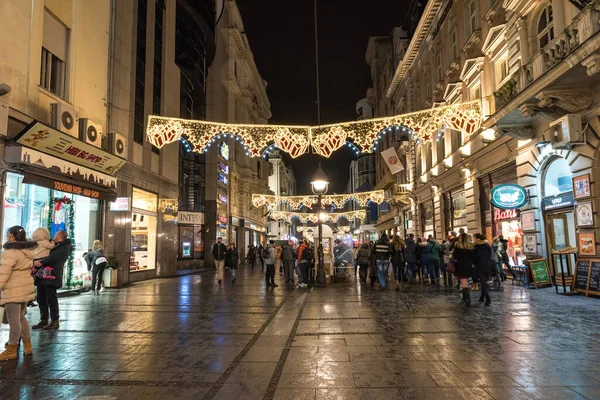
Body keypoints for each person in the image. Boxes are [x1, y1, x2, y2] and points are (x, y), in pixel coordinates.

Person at [0, 226, 36, 360]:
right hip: (25, 286)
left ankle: (11, 349)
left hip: (13, 288)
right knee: (20, 317)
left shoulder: (10, 252)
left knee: (13, 320)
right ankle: (27, 345)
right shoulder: (27, 250)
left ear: (10, 235)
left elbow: (3, 273)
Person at [32, 230, 72, 330]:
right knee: (41, 298)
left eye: (55, 235)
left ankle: (55, 321)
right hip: (42, 274)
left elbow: (54, 257)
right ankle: (44, 319)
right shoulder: (53, 245)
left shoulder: (64, 247)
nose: (53, 236)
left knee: (51, 298)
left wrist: (42, 261)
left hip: (52, 275)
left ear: (59, 236)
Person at [30, 227, 54, 307]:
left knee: (34, 279)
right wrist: (53, 242)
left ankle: (31, 298)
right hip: (43, 260)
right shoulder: (45, 242)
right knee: (44, 278)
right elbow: (51, 246)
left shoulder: (35, 243)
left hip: (35, 259)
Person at [453, 233, 475, 307]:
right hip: (468, 266)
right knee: (465, 282)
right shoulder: (471, 246)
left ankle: (468, 300)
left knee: (464, 284)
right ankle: (465, 298)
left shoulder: (458, 245)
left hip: (461, 266)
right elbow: (473, 257)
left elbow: (454, 256)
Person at [473, 234, 492, 306]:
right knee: (483, 282)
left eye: (474, 238)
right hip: (487, 265)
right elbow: (489, 255)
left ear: (478, 239)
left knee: (483, 283)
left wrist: (474, 263)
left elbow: (475, 258)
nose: (473, 239)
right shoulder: (487, 245)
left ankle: (488, 299)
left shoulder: (476, 247)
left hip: (479, 266)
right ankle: (482, 297)